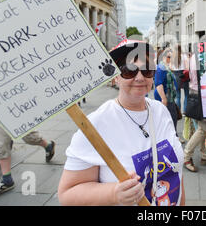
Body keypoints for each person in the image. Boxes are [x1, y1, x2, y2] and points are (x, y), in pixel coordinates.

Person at [58, 40, 185, 206]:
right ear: (115, 77)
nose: (139, 77)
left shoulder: (161, 111)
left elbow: (177, 174)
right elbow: (67, 194)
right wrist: (113, 193)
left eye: (146, 70)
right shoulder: (95, 124)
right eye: (128, 71)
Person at [0, 122, 55, 202]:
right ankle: (7, 180)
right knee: (1, 144)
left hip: (16, 111)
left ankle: (48, 145)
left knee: (29, 137)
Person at [183, 53, 206, 173]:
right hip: (203, 94)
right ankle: (186, 156)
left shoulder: (194, 57)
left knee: (202, 128)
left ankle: (205, 156)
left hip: (195, 92)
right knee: (203, 128)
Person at [154, 48, 180, 131]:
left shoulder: (166, 67)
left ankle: (173, 137)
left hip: (169, 97)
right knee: (171, 119)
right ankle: (173, 138)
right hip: (165, 98)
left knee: (172, 118)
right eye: (169, 57)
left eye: (172, 57)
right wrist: (163, 98)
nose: (170, 59)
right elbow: (158, 84)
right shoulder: (161, 67)